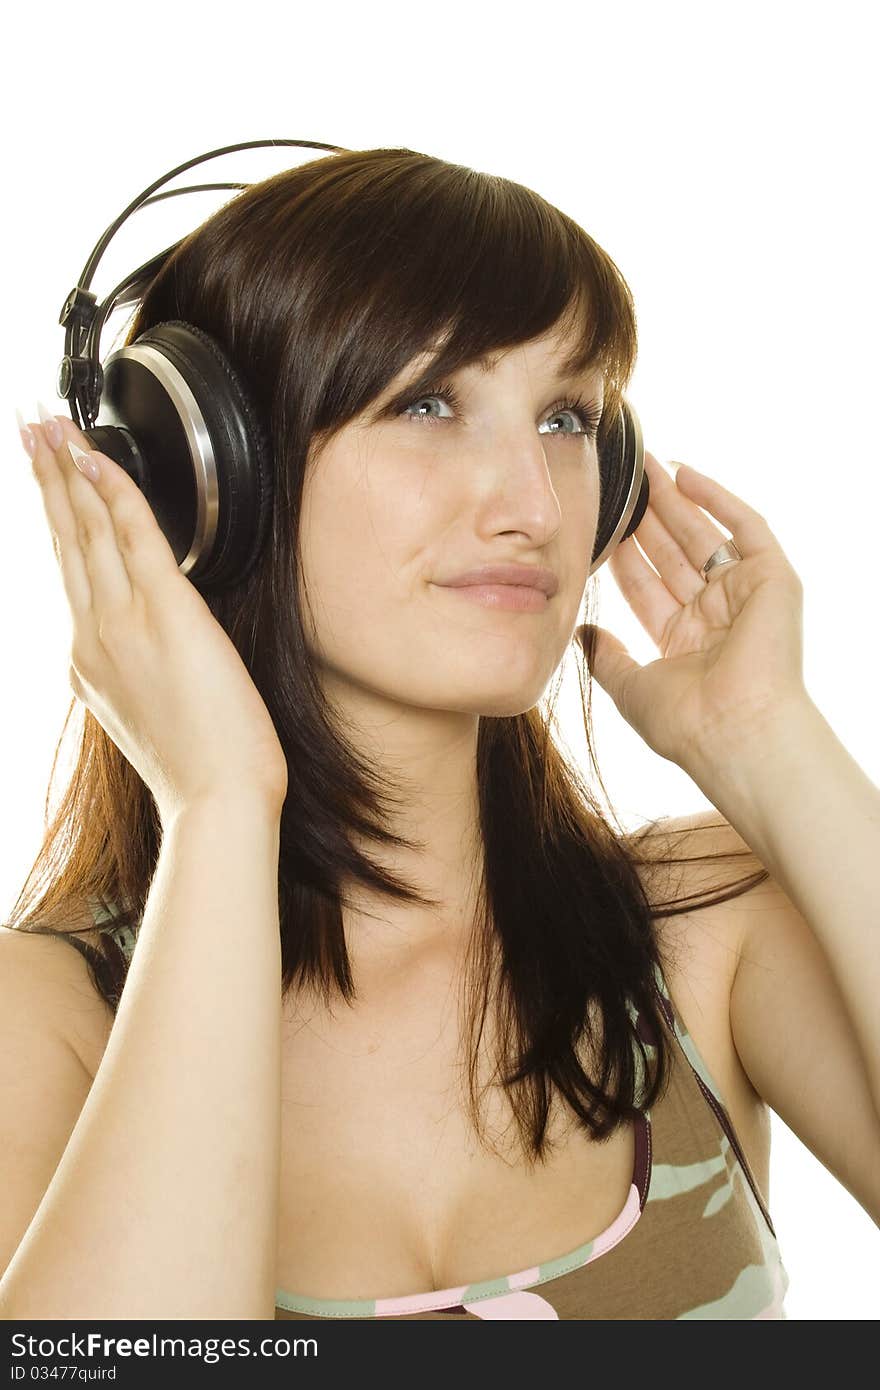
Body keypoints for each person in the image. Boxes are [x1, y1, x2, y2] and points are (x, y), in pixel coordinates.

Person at [2, 147, 878, 1321]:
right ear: (204, 478)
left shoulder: (699, 934)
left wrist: (770, 740)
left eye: (567, 417)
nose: (534, 504)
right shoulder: (47, 1020)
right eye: (427, 402)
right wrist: (215, 803)